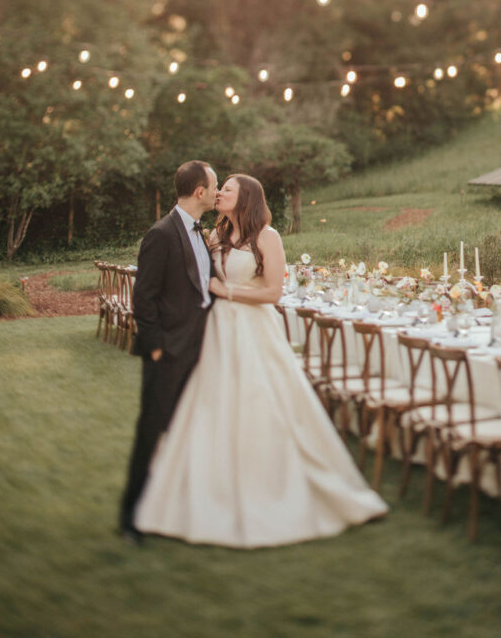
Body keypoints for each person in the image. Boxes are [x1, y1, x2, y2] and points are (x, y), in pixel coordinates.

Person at [134, 173, 388, 547]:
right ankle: (211, 485)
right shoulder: (214, 236)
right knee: (213, 401)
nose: (220, 193)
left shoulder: (268, 237)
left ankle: (271, 482)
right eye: (219, 187)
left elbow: (272, 293)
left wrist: (225, 290)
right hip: (217, 330)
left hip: (254, 328)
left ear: (246, 198)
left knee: (260, 399)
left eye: (228, 189)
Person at [119, 159, 218, 542]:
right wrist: (157, 349)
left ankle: (174, 510)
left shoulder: (200, 232)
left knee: (185, 432)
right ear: (199, 191)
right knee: (151, 432)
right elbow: (143, 298)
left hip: (198, 350)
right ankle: (131, 517)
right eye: (214, 186)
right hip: (168, 353)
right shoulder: (161, 234)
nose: (217, 192)